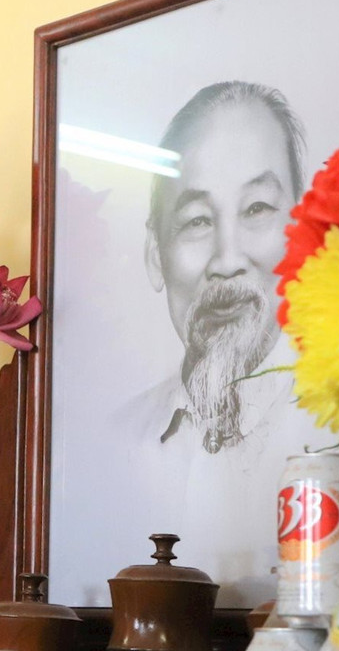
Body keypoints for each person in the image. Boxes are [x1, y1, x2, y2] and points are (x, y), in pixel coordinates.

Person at [118, 80, 305, 455]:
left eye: (257, 209)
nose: (228, 261)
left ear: (303, 231)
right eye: (198, 220)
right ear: (156, 253)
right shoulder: (116, 444)